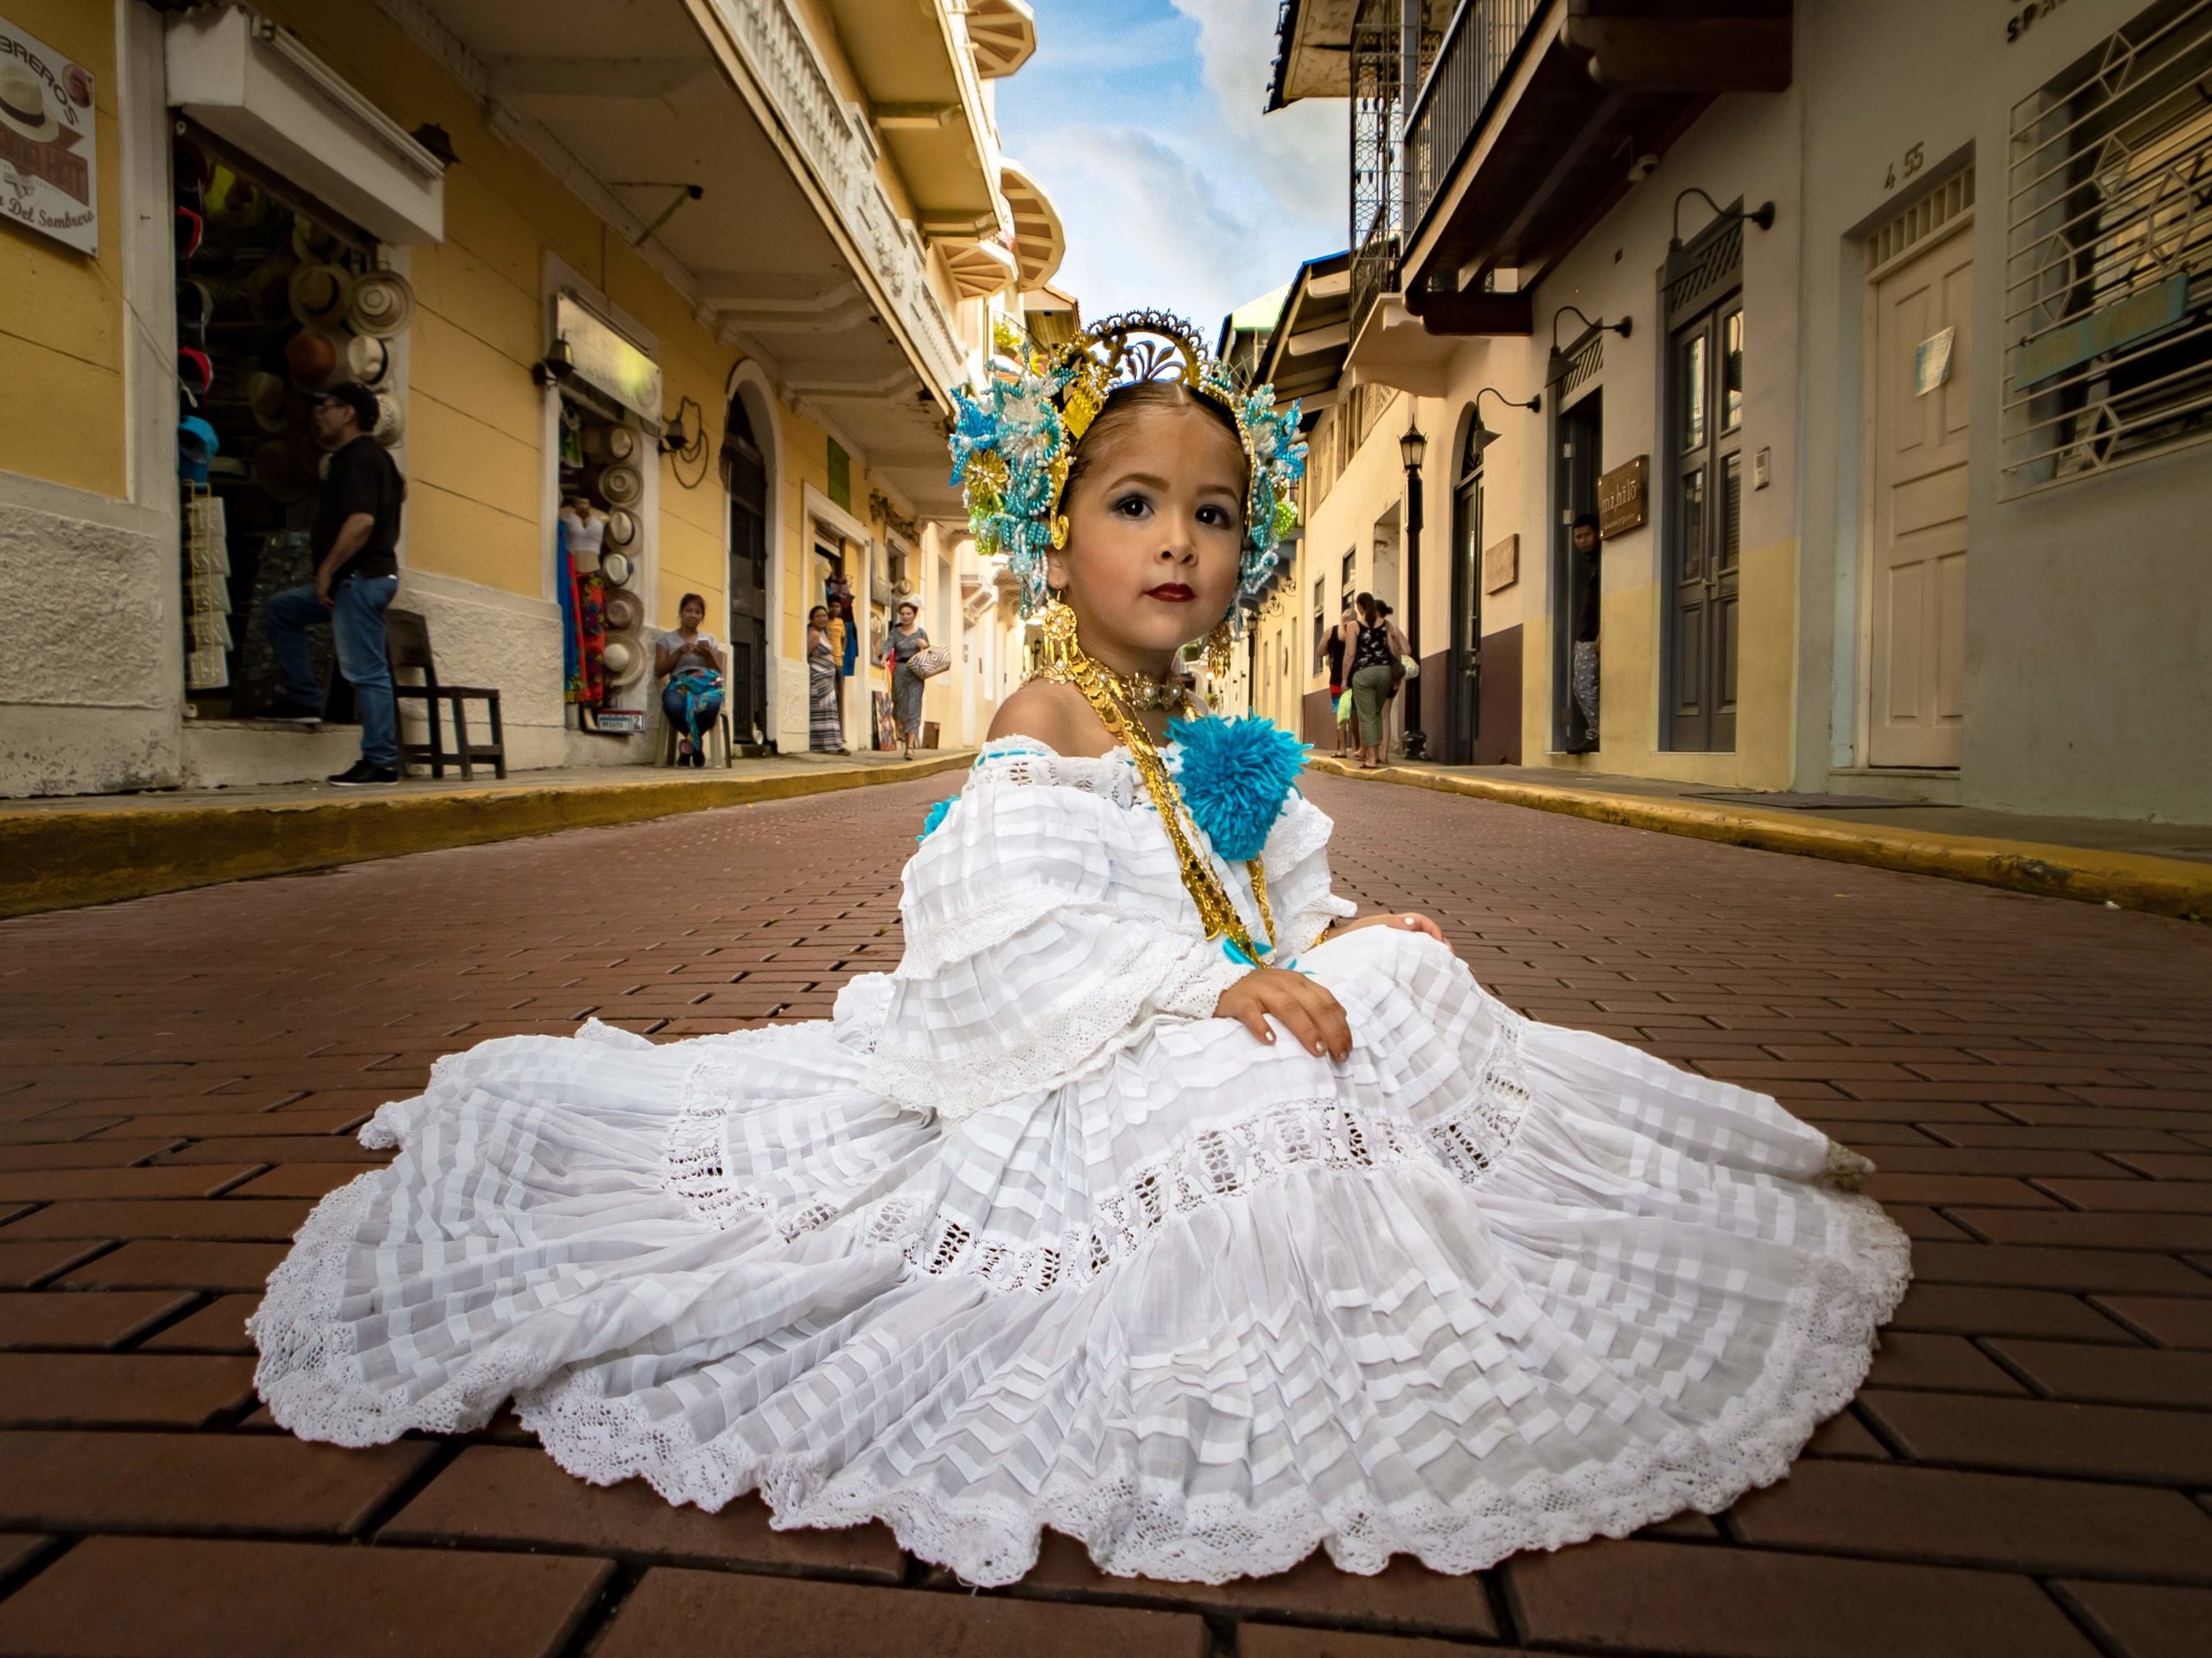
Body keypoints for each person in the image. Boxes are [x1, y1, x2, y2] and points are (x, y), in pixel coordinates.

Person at [251, 311, 1904, 1591]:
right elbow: (1007, 931)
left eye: (1209, 509)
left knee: (1399, 974)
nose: (1175, 540)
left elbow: (1256, 885)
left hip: (1193, 1003)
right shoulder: (1043, 712)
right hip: (1085, 1049)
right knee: (1274, 1093)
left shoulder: (1198, 720)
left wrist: (1326, 930)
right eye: (1134, 503)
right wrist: (1208, 978)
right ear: (1061, 536)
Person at [259, 382, 403, 786]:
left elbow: (362, 520)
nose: (317, 413)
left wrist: (327, 569)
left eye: (325, 406)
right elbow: (400, 492)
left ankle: (381, 761)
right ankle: (304, 699)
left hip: (358, 579)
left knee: (366, 671)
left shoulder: (359, 458)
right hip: (358, 580)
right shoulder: (374, 460)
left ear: (349, 413)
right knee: (282, 610)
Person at [654, 593, 724, 767]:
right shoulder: (666, 639)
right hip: (679, 684)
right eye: (689, 610)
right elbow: (659, 671)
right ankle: (696, 746)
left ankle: (688, 746)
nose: (693, 615)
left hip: (705, 684)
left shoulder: (709, 639)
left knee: (712, 706)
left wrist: (707, 654)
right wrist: (678, 652)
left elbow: (718, 672)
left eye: (697, 612)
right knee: (673, 706)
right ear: (681, 612)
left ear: (702, 616)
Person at [1346, 591, 1397, 769]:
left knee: (1366, 716)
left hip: (1364, 673)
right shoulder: (1386, 624)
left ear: (1360, 607)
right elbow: (1393, 649)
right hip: (1385, 672)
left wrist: (1345, 679)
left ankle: (1371, 758)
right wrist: (1395, 674)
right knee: (1376, 713)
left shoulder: (1354, 625)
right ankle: (1378, 753)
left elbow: (1350, 654)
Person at [1568, 512, 1601, 753]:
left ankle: (1596, 733)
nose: (1582, 541)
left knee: (1585, 687)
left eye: (1586, 535)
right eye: (1577, 537)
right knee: (1583, 686)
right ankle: (1595, 731)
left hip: (1591, 636)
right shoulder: (1590, 564)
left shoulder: (1603, 561)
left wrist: (1601, 633)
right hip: (1584, 635)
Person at [883, 597, 931, 759]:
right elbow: (887, 646)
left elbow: (930, 653)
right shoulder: (895, 632)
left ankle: (909, 747)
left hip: (916, 671)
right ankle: (903, 731)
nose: (905, 616)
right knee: (900, 707)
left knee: (914, 707)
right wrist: (884, 657)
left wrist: (924, 646)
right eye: (902, 613)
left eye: (908, 613)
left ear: (914, 614)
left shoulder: (921, 632)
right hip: (900, 671)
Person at [806, 603, 846, 753]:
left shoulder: (824, 633)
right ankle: (822, 745)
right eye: (818, 616)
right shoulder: (813, 634)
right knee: (821, 713)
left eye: (824, 616)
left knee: (829, 712)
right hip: (818, 679)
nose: (822, 619)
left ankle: (833, 744)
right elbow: (806, 654)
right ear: (812, 619)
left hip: (827, 680)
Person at [1322, 603, 1356, 757]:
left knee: (1339, 714)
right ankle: (1358, 748)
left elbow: (1320, 651)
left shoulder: (1332, 631)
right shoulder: (1358, 630)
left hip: (1336, 679)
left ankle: (1341, 749)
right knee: (1356, 714)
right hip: (1356, 678)